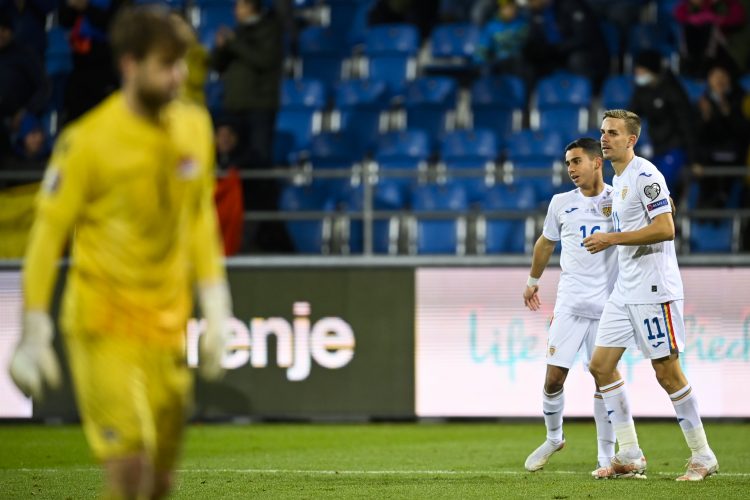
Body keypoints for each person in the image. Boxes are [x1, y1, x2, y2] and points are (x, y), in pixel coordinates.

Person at [7, 6, 233, 499]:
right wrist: (35, 325)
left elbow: (198, 218)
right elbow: (47, 236)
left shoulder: (193, 126)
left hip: (169, 326)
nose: (178, 77)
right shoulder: (87, 142)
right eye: (165, 65)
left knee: (160, 482)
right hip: (102, 324)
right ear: (129, 65)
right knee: (129, 468)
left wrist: (216, 304)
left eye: (181, 65)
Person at [583, 109, 718, 481]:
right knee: (601, 365)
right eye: (602, 132)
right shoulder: (621, 178)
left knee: (667, 372)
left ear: (631, 139)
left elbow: (666, 227)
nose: (605, 138)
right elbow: (665, 206)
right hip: (625, 289)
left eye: (612, 133)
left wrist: (611, 238)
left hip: (654, 288)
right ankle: (629, 454)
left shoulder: (645, 174)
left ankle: (703, 456)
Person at [522, 137, 620, 478]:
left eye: (576, 161)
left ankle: (606, 456)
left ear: (597, 162)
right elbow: (546, 242)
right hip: (569, 305)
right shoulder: (561, 203)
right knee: (553, 378)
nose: (571, 169)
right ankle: (554, 438)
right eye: (567, 164)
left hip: (608, 307)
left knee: (602, 381)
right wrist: (533, 280)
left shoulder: (618, 198)